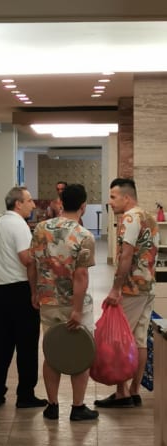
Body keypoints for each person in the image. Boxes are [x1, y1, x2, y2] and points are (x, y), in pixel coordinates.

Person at [30, 183, 98, 421]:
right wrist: (77, 310)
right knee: (80, 353)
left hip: (48, 300)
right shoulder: (84, 235)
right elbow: (81, 276)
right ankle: (77, 407)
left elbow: (32, 264)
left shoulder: (41, 229)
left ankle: (52, 406)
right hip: (73, 303)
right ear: (83, 206)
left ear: (61, 203)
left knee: (52, 351)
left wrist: (34, 292)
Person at [94, 177, 159, 408]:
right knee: (139, 339)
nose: (110, 202)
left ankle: (122, 393)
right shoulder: (149, 216)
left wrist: (115, 288)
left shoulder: (130, 218)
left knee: (122, 339)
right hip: (148, 285)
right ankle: (134, 391)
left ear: (127, 197)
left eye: (113, 197)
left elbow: (126, 255)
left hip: (131, 288)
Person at [0, 186, 46, 408]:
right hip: (20, 290)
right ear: (18, 204)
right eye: (29, 200)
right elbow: (26, 259)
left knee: (1, 343)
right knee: (27, 345)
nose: (33, 204)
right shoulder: (19, 225)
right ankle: (25, 394)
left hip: (0, 290)